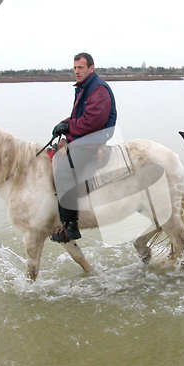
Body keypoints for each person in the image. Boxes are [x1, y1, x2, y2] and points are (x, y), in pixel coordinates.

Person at [51, 52, 117, 243]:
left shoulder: (98, 89)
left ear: (91, 68)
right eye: (75, 67)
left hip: (93, 139)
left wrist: (69, 127)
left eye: (80, 67)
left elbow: (93, 122)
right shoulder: (84, 88)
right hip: (83, 137)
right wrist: (64, 123)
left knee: (63, 173)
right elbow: (79, 116)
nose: (76, 71)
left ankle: (70, 225)